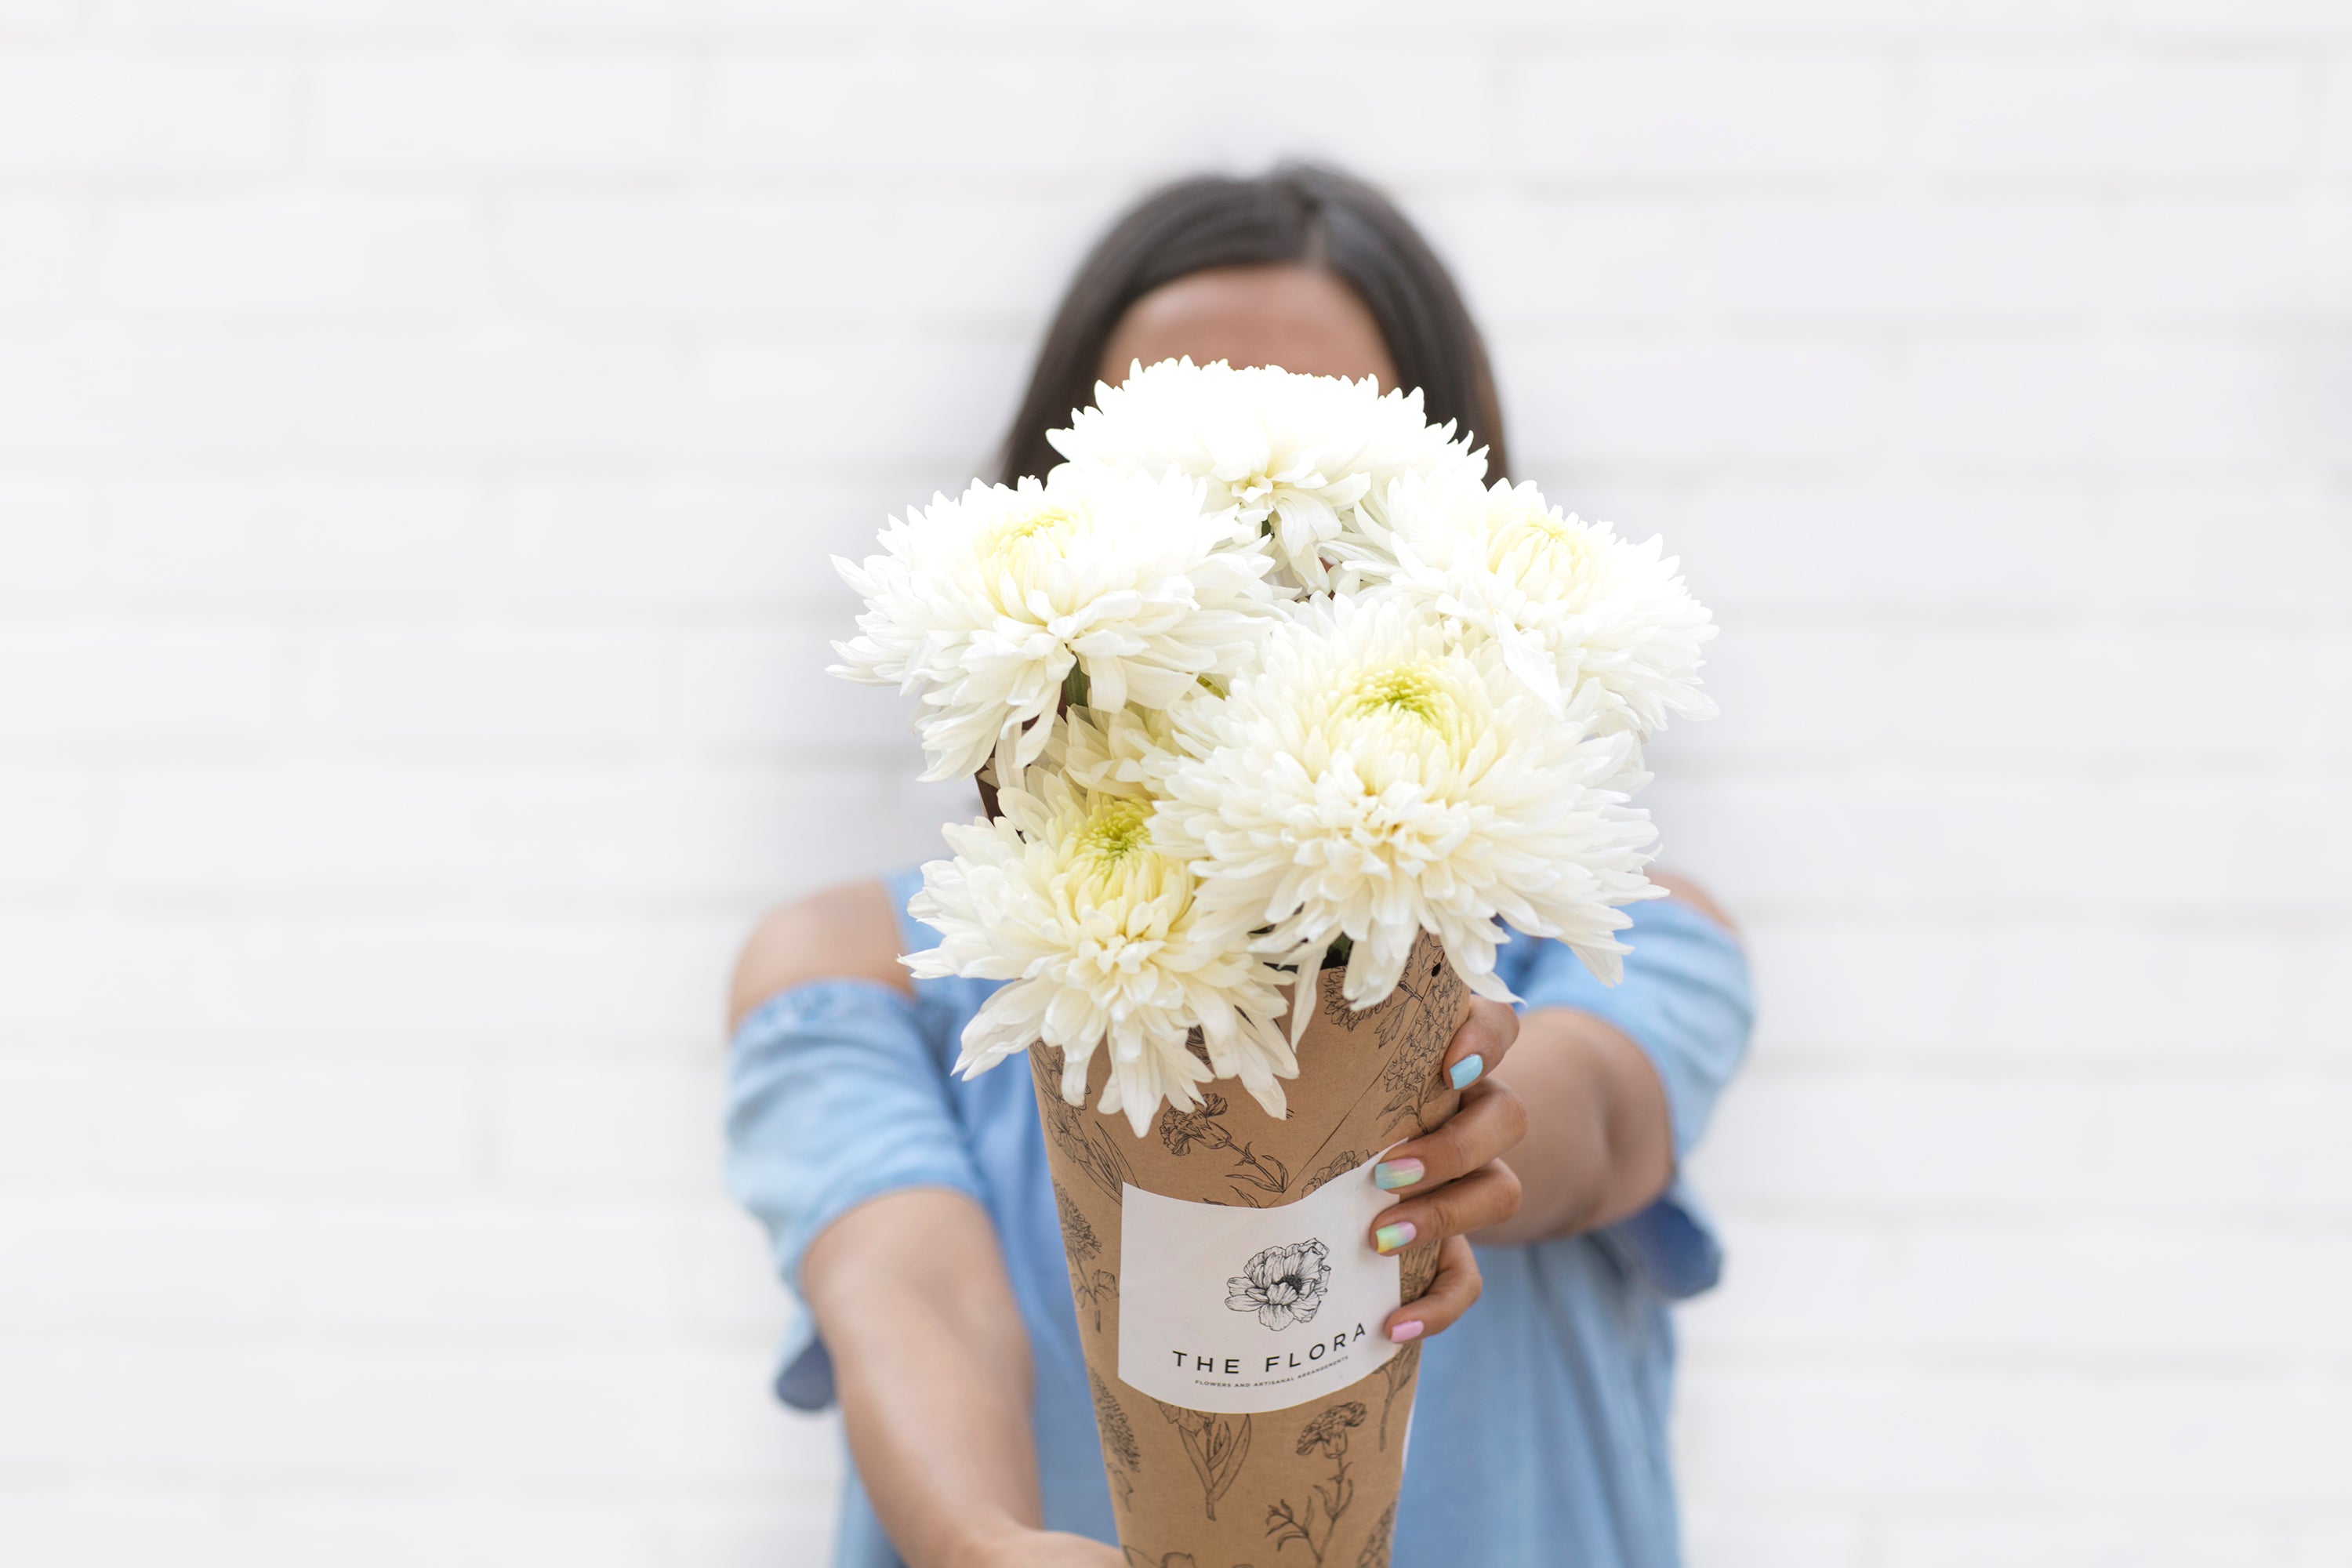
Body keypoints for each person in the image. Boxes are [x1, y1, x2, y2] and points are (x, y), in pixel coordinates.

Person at [725, 165, 1753, 1568]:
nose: (1254, 542)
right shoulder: (872, 969)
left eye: (1329, 486)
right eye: (1175, 476)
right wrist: (973, 1541)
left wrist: (1465, 1114)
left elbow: (1604, 1122)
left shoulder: (1616, 934)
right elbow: (909, 1285)